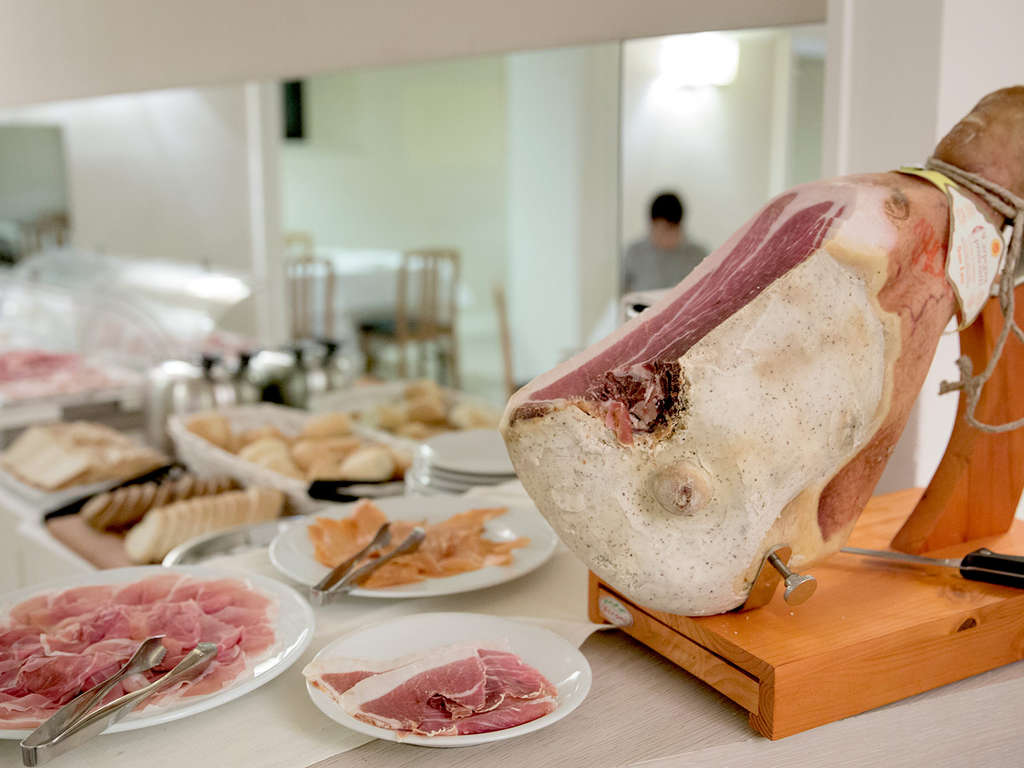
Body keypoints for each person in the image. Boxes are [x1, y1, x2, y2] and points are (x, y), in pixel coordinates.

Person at [621, 191, 708, 295]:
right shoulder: (634, 252)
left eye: (668, 230)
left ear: (679, 227)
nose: (663, 237)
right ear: (652, 225)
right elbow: (621, 292)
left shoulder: (697, 255)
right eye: (659, 231)